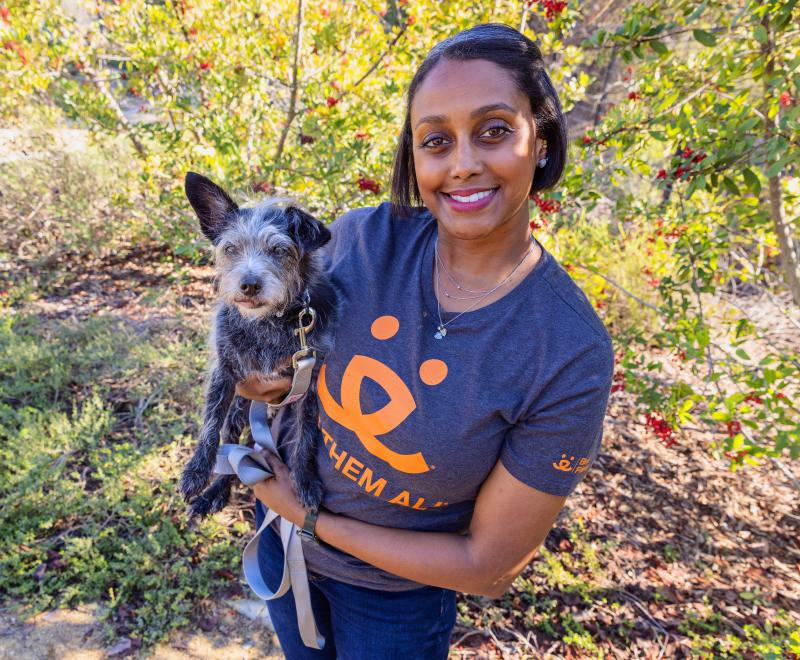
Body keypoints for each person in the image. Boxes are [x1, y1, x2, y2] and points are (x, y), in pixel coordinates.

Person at [236, 23, 614, 659]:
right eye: (436, 140)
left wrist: (313, 518)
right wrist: (262, 377)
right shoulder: (360, 242)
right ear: (414, 159)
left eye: (493, 130)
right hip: (281, 544)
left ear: (541, 140)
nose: (463, 162)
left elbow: (487, 566)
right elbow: (265, 355)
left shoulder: (567, 351)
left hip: (395, 600)